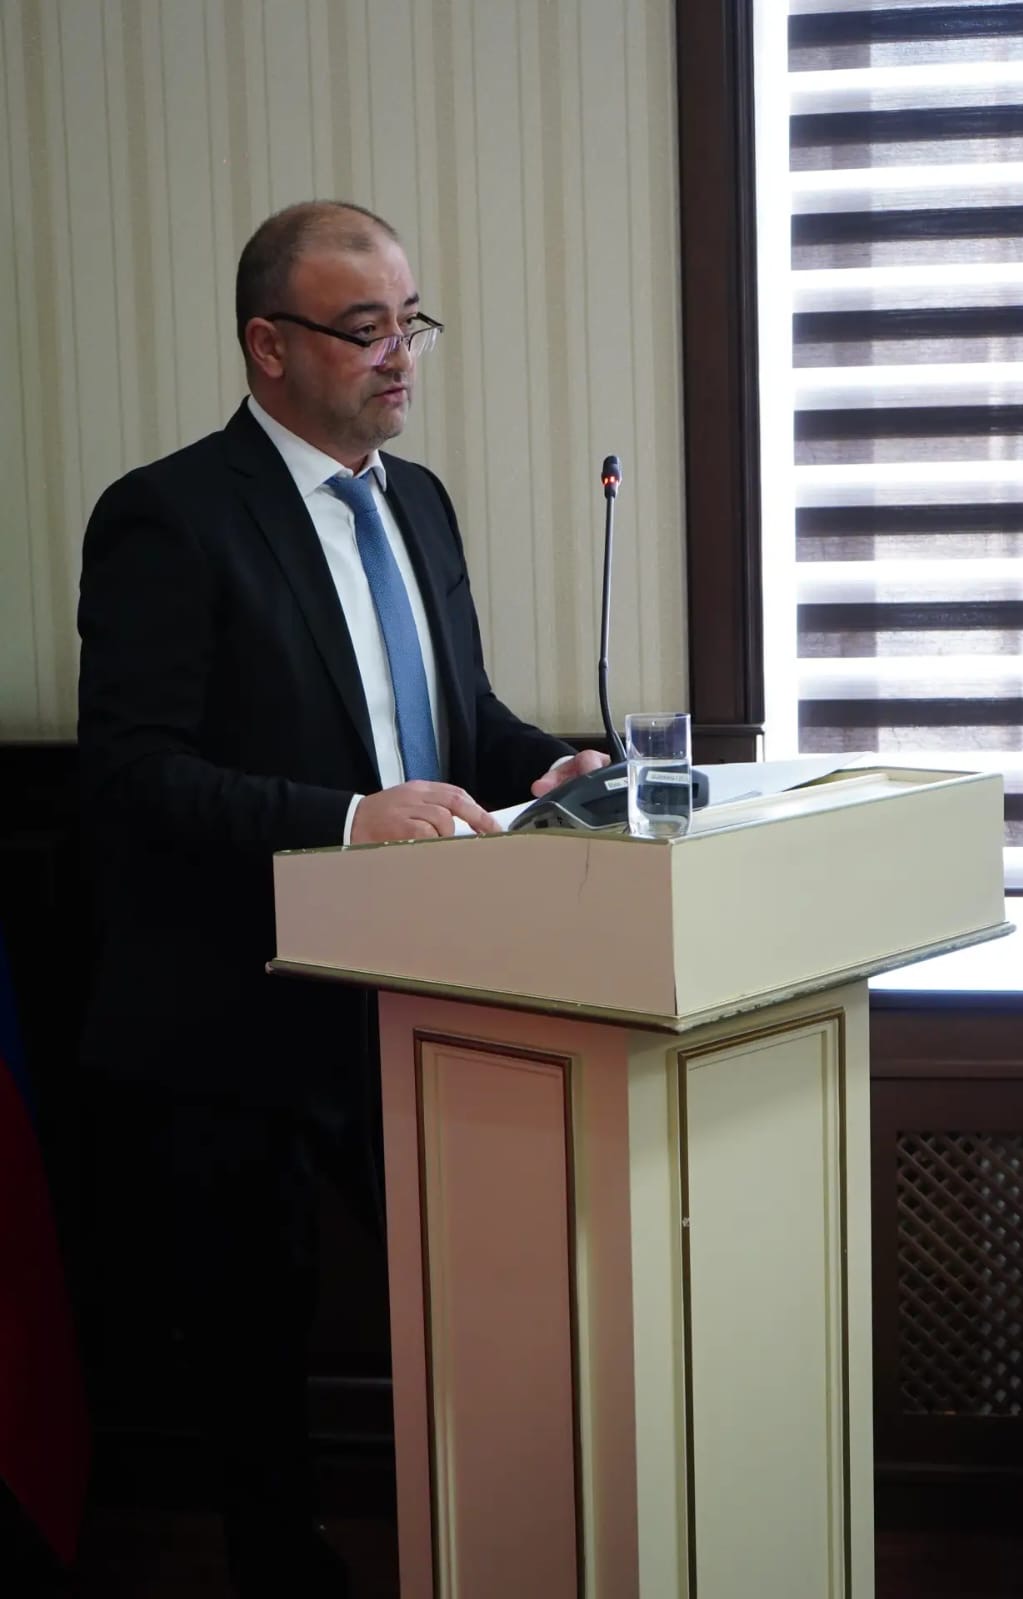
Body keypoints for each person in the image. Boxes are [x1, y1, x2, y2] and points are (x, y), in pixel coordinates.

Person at [76, 199, 607, 1598]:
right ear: (269, 346)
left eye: (410, 323)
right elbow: (132, 775)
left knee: (487, 1298)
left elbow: (454, 720)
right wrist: (348, 821)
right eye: (364, 329)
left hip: (422, 991)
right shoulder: (169, 516)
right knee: (256, 1356)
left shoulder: (416, 501)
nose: (400, 356)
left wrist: (548, 765)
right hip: (234, 1012)